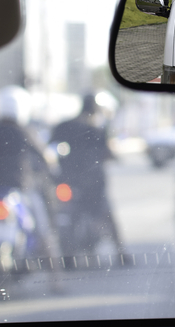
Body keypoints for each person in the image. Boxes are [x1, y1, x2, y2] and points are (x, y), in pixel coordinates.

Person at [0, 86, 61, 294]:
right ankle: (56, 281)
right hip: (22, 192)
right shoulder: (25, 132)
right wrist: (51, 166)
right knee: (44, 233)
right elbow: (46, 157)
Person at [49, 91, 122, 250]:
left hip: (67, 180)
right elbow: (107, 153)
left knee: (57, 211)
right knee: (107, 214)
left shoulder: (64, 126)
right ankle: (121, 253)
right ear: (95, 110)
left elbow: (50, 147)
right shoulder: (97, 130)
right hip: (93, 183)